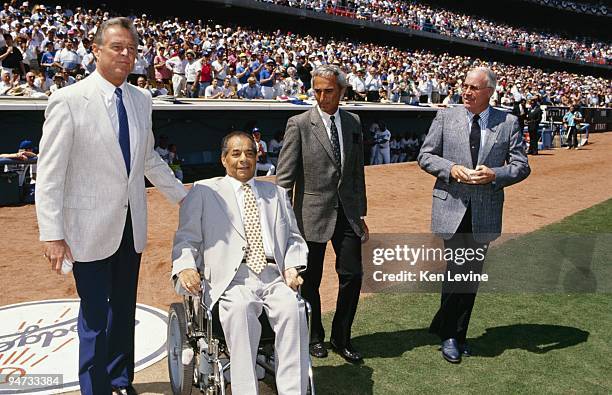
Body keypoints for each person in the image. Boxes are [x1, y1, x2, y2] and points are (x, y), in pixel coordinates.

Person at [35, 17, 187, 395]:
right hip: (87, 230)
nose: (125, 55)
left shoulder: (141, 99)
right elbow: (50, 174)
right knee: (94, 317)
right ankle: (96, 388)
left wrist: (186, 195)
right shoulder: (67, 100)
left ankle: (120, 381)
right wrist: (52, 235)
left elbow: (148, 158)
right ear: (96, 49)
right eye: (117, 47)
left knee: (123, 312)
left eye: (132, 49)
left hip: (130, 226)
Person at [171, 131, 309, 394]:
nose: (243, 159)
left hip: (273, 275)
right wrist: (187, 266)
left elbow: (293, 238)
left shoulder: (277, 193)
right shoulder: (203, 191)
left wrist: (292, 266)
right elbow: (186, 239)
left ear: (258, 157)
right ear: (224, 159)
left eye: (249, 153)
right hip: (231, 279)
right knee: (241, 309)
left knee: (295, 308)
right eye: (236, 153)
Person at [417, 67, 530, 364]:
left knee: (469, 273)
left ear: (490, 91)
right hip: (450, 205)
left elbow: (521, 165)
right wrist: (450, 169)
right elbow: (425, 156)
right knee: (459, 269)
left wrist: (496, 174)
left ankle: (451, 329)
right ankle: (452, 335)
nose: (466, 92)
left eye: (474, 88)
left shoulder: (508, 123)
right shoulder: (446, 116)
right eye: (464, 86)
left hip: (485, 209)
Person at [276, 64, 368, 364]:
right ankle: (314, 336)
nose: (322, 96)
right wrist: (284, 221)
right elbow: (284, 178)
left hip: (348, 214)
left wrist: (361, 213)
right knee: (309, 281)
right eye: (317, 90)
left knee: (353, 275)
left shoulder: (354, 122)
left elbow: (356, 172)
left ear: (342, 91)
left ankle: (342, 337)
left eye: (329, 91)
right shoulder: (299, 124)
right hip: (309, 214)